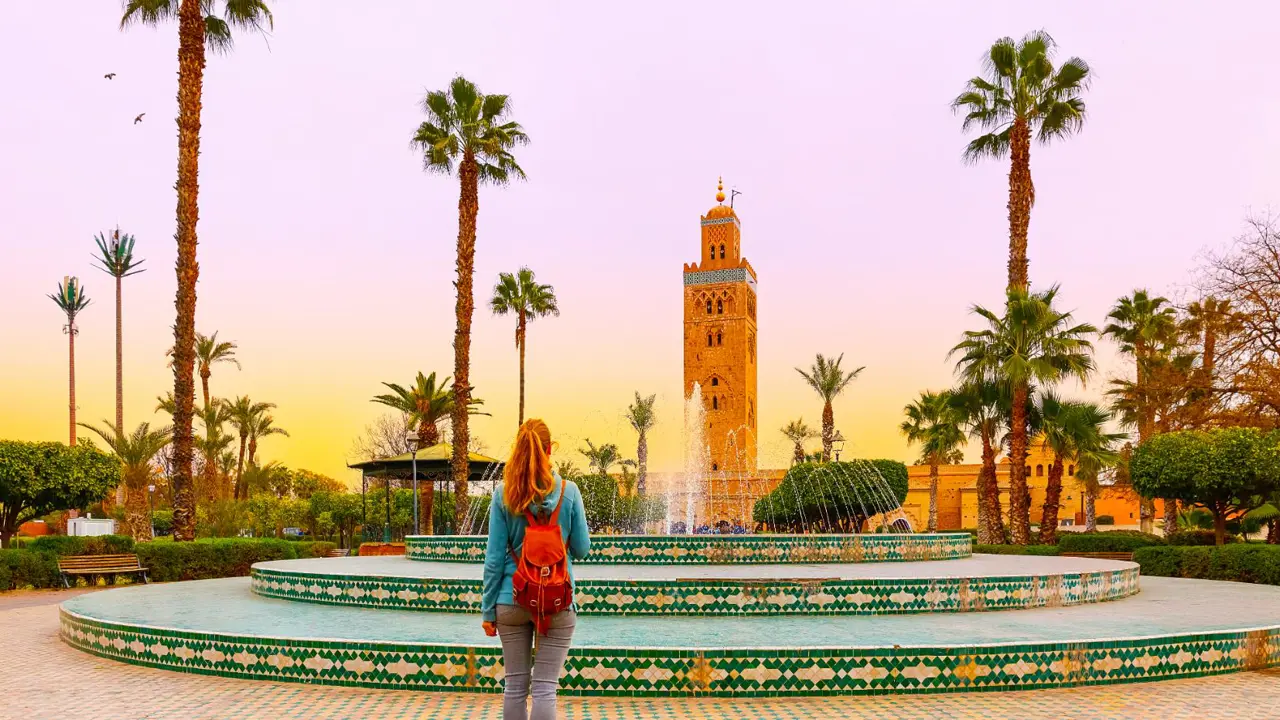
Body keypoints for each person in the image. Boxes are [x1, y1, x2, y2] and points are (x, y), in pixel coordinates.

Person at [482, 419, 591, 720]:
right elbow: (582, 550)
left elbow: (493, 560)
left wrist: (488, 611)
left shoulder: (504, 494)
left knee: (515, 686)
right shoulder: (570, 492)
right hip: (557, 600)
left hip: (511, 599)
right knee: (545, 689)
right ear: (549, 449)